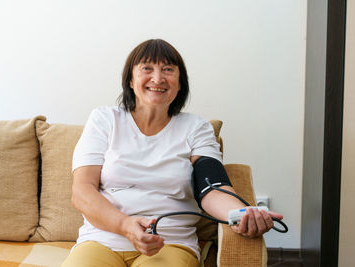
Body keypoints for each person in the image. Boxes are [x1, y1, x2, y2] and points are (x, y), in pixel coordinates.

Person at [62, 39, 283, 267]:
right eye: (147, 68)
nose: (157, 78)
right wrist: (126, 226)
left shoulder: (196, 128)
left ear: (180, 84)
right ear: (130, 79)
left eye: (168, 69)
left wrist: (240, 213)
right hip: (102, 241)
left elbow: (212, 187)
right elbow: (82, 191)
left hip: (170, 243)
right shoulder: (105, 119)